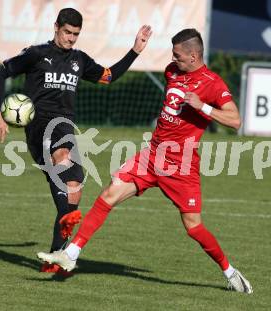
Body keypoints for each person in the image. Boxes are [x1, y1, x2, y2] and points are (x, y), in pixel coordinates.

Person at [37, 28, 253, 293]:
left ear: (195, 56)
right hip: (152, 155)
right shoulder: (172, 72)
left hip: (181, 165)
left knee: (194, 227)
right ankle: (70, 254)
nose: (173, 60)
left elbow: (235, 120)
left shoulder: (212, 83)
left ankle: (230, 273)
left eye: (178, 56)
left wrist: (203, 107)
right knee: (109, 194)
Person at [0, 8, 152, 275]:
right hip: (38, 125)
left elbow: (108, 76)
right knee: (63, 160)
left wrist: (135, 50)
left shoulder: (79, 59)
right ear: (56, 27)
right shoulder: (36, 54)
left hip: (64, 125)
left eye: (76, 34)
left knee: (75, 186)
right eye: (67, 32)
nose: (71, 39)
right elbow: (0, 74)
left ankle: (54, 259)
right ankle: (64, 228)